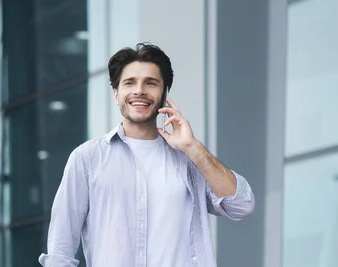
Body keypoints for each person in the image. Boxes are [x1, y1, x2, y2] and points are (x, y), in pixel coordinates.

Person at [38, 43, 255, 267]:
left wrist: (193, 147)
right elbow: (60, 250)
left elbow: (241, 206)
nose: (139, 90)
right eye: (129, 83)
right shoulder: (87, 158)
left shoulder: (188, 158)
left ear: (164, 95)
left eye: (151, 83)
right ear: (116, 94)